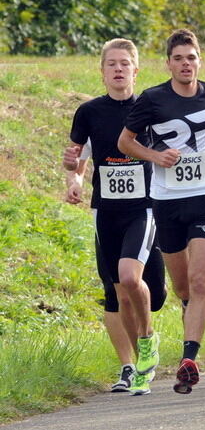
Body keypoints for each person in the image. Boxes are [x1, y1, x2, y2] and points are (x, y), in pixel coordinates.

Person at [118, 29, 205, 395]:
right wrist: (156, 156)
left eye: (191, 58)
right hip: (166, 200)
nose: (185, 64)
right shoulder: (152, 99)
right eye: (179, 59)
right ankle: (188, 324)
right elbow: (125, 142)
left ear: (199, 61)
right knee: (184, 288)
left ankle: (189, 359)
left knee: (204, 280)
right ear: (169, 63)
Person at [63, 38, 167, 395]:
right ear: (102, 71)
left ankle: (148, 339)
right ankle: (131, 367)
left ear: (136, 70)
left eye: (125, 63)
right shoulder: (89, 112)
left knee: (131, 276)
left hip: (144, 207)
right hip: (105, 209)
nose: (118, 69)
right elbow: (77, 156)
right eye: (112, 64)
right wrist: (74, 179)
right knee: (118, 291)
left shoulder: (150, 108)